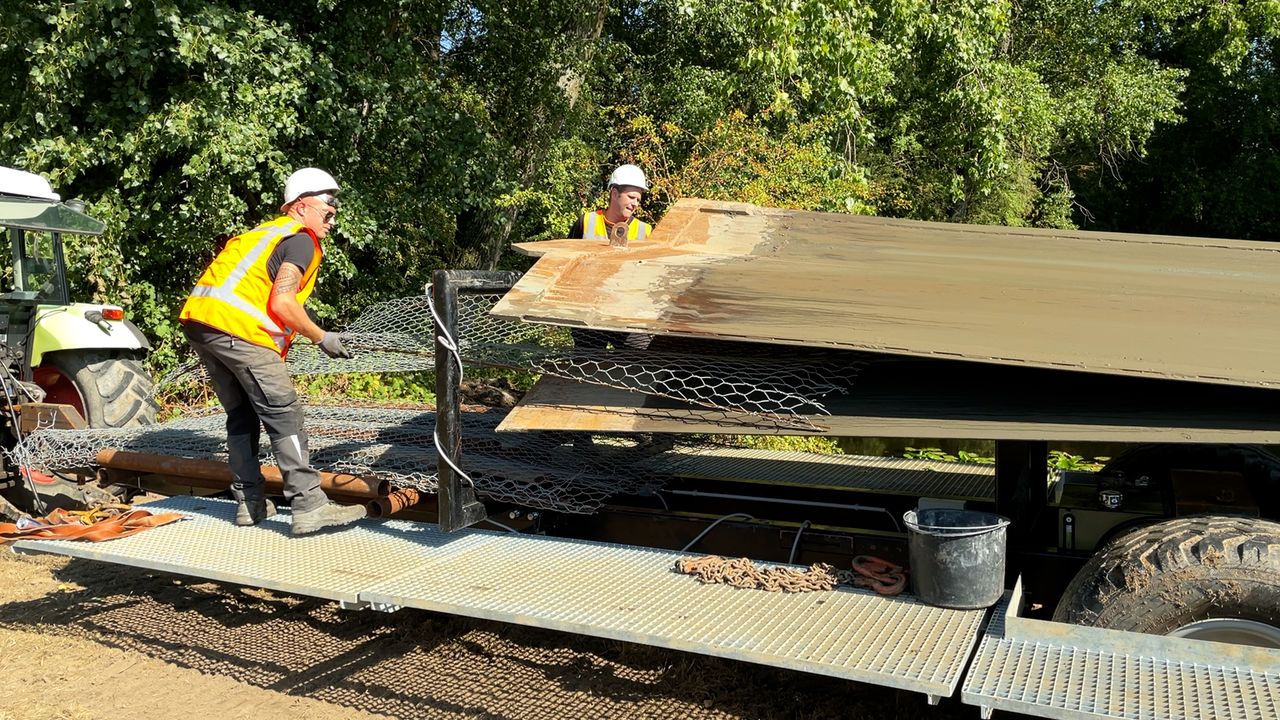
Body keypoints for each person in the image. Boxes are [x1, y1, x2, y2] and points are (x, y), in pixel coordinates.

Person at [178, 167, 366, 535]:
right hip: (240, 332)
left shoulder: (259, 234)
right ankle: (309, 505)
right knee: (284, 414)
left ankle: (249, 504)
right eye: (328, 208)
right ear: (300, 206)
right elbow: (282, 303)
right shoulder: (302, 240)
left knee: (242, 414)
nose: (333, 216)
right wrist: (320, 336)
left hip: (203, 326)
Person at [570, 164, 653, 350]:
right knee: (586, 364)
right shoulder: (586, 222)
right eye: (631, 197)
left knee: (643, 360)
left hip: (626, 317)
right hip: (587, 315)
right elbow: (567, 265)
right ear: (614, 193)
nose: (635, 204)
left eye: (638, 199)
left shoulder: (645, 231)